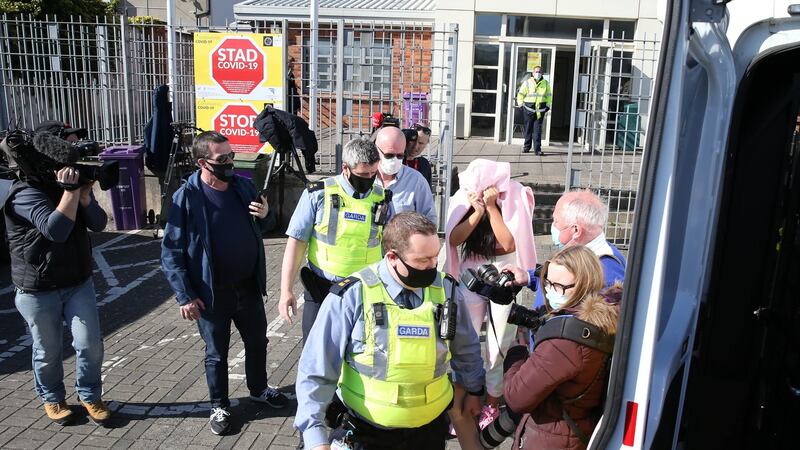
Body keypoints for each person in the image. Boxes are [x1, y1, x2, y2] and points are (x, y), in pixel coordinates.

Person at [294, 212, 486, 450]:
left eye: (436, 257)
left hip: (429, 432)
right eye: (423, 261)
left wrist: (475, 390)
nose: (433, 267)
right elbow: (316, 369)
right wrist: (315, 436)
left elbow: (466, 349)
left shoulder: (446, 290)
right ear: (393, 257)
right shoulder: (352, 295)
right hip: (367, 433)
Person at [161, 131, 288, 436]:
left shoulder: (243, 186)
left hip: (247, 286)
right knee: (217, 353)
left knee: (258, 342)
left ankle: (259, 389)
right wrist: (184, 296)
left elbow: (266, 226)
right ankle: (219, 404)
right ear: (203, 162)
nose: (230, 162)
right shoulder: (187, 197)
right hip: (210, 293)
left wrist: (268, 215)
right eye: (223, 159)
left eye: (231, 155)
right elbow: (171, 252)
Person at [4, 132, 110, 425]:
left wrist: (85, 195)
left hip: (78, 282)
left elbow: (100, 224)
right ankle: (52, 398)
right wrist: (71, 192)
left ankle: (90, 394)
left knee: (90, 344)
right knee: (48, 350)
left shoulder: (69, 187)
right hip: (38, 288)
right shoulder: (24, 193)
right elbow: (56, 230)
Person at [443, 158, 537, 429]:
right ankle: (462, 402)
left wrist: (493, 208)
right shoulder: (464, 197)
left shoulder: (515, 195)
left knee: (497, 345)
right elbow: (454, 238)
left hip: (504, 270)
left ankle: (492, 405)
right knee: (465, 340)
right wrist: (475, 211)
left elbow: (508, 242)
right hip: (472, 270)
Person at [501, 245, 620, 450]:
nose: (548, 290)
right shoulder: (604, 315)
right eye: (546, 282)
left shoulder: (564, 343)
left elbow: (516, 397)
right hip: (576, 429)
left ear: (583, 285)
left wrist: (517, 351)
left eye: (558, 286)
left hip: (553, 438)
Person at [279, 138, 391, 341]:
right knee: (314, 357)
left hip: (365, 290)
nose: (369, 179)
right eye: (363, 174)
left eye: (373, 173)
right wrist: (285, 290)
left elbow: (389, 244)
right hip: (322, 289)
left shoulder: (381, 197)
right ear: (345, 169)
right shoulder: (318, 194)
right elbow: (296, 242)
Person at [502, 189, 626, 308]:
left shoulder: (608, 272)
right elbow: (560, 282)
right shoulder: (579, 253)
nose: (553, 226)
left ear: (576, 230)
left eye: (556, 221)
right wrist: (529, 277)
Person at [374, 127, 437, 224]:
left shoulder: (416, 181)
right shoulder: (364, 176)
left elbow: (429, 222)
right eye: (389, 155)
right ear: (377, 150)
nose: (394, 160)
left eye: (400, 156)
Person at [515, 65, 552, 155]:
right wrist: (520, 105)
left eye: (539, 72)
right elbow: (520, 94)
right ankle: (526, 147)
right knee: (528, 129)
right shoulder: (527, 82)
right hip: (528, 109)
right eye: (536, 72)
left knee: (537, 130)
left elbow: (549, 96)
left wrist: (548, 105)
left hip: (540, 110)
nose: (538, 73)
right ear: (532, 73)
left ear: (542, 73)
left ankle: (537, 150)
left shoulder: (546, 83)